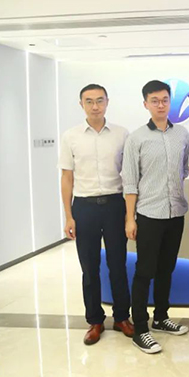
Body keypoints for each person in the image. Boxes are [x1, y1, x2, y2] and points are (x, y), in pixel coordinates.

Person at [59, 84, 134, 345]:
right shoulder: (71, 136)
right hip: (85, 207)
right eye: (89, 101)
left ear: (107, 102)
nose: (95, 106)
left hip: (114, 204)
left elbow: (129, 175)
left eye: (99, 100)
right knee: (89, 267)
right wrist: (69, 215)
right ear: (81, 104)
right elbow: (67, 178)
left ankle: (122, 317)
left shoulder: (122, 134)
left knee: (118, 264)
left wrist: (130, 215)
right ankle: (95, 321)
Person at [122, 80, 189, 354]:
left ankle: (161, 317)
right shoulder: (136, 138)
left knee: (166, 269)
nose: (160, 105)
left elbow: (184, 170)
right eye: (155, 100)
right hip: (149, 214)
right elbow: (130, 181)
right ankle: (140, 328)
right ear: (146, 104)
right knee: (144, 272)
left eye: (164, 100)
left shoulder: (182, 134)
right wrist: (130, 219)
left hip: (176, 213)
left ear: (170, 102)